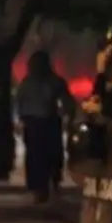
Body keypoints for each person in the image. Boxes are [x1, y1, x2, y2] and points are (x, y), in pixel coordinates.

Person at [16, 50, 74, 202]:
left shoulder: (27, 82)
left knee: (36, 156)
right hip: (45, 122)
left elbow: (20, 102)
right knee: (48, 155)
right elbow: (67, 102)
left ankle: (39, 187)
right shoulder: (54, 81)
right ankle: (46, 185)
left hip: (38, 123)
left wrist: (21, 119)